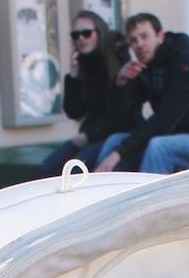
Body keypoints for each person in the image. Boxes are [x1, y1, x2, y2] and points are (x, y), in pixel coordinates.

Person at [93, 13, 189, 174]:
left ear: (160, 36)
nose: (139, 44)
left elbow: (164, 121)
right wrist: (121, 83)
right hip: (176, 136)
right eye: (133, 40)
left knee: (159, 148)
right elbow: (123, 117)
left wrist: (119, 152)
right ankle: (105, 196)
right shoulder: (145, 68)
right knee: (115, 140)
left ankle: (149, 200)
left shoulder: (186, 63)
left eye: (144, 36)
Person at [38, 11, 137, 176]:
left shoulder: (118, 61)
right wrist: (74, 75)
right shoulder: (84, 63)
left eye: (86, 33)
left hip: (116, 134)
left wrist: (91, 135)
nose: (81, 39)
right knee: (45, 170)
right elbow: (74, 111)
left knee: (75, 172)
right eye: (76, 35)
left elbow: (122, 114)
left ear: (99, 33)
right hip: (90, 135)